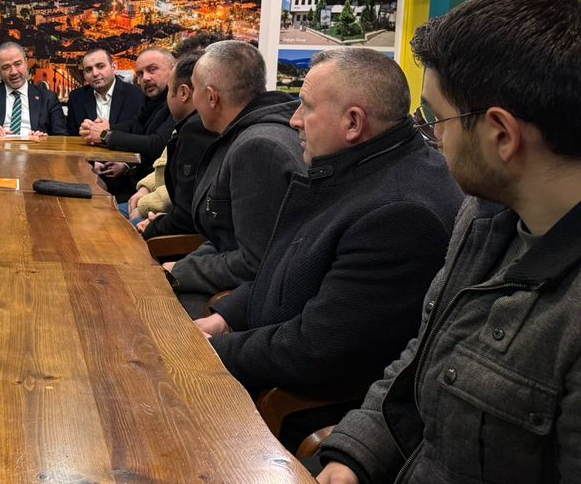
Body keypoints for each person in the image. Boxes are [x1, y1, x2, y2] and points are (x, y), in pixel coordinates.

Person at [318, 0, 581, 484]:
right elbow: (426, 354)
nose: (433, 136)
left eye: (437, 118)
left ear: (501, 134)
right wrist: (354, 455)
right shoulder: (482, 218)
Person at [194, 49, 462, 443]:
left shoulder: (401, 214)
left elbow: (315, 349)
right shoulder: (358, 168)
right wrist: (226, 317)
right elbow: (289, 274)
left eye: (306, 106)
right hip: (266, 368)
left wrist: (214, 350)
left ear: (353, 122)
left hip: (295, 416)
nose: (294, 120)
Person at [165, 40, 303, 314]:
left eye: (195, 90)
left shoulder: (257, 147)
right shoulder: (259, 132)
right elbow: (227, 237)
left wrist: (180, 271)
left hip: (241, 304)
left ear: (211, 97)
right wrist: (181, 266)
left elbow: (254, 262)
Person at [136, 48, 216, 238]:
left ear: (183, 93)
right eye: (140, 73)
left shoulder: (196, 130)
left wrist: (153, 221)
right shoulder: (191, 125)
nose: (145, 78)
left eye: (169, 90)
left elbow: (186, 214)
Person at [81, 47, 177, 204]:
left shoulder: (179, 101)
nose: (145, 78)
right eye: (140, 74)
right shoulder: (152, 99)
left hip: (155, 191)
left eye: (152, 69)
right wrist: (99, 129)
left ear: (173, 70)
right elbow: (135, 125)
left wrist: (106, 135)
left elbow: (157, 143)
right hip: (140, 185)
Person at [0, 41, 67, 137]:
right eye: (6, 67)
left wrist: (46, 140)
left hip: (35, 145)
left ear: (26, 63)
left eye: (18, 64)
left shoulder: (48, 98)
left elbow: (61, 136)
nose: (14, 72)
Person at [65, 48, 143, 134]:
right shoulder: (76, 97)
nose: (95, 73)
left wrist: (109, 131)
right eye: (89, 70)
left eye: (101, 66)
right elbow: (71, 134)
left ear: (114, 67)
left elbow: (140, 130)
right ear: (84, 75)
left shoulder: (136, 95)